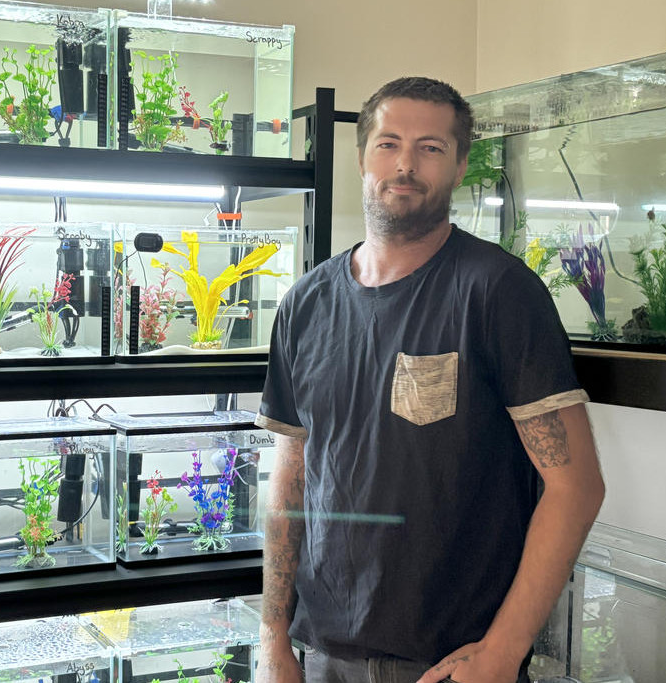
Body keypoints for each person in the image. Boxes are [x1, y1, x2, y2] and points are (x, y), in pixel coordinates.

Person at [255, 77, 605, 683]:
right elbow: (290, 480)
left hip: (451, 663)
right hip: (324, 654)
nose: (406, 165)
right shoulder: (305, 304)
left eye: (432, 147)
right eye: (389, 144)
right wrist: (272, 634)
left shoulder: (497, 292)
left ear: (461, 165)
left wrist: (502, 652)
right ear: (362, 155)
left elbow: (576, 487)